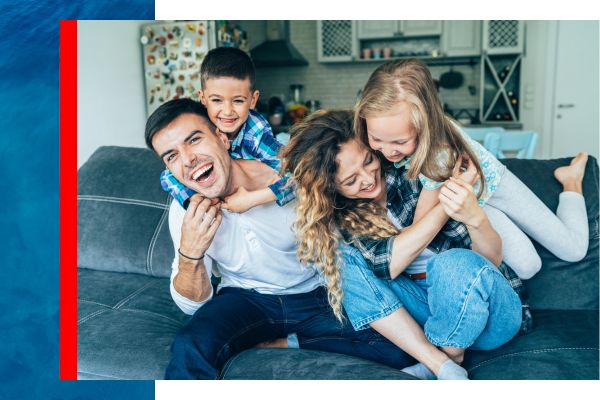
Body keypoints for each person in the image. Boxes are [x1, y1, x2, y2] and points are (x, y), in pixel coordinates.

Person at [145, 99, 418, 379]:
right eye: (172, 156)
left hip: (317, 294)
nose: (188, 159)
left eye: (194, 140)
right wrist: (191, 253)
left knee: (401, 346)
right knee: (190, 346)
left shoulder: (285, 177)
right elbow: (192, 306)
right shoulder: (185, 207)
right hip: (246, 298)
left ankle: (288, 342)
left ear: (221, 138)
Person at [281, 110, 524, 380]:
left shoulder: (415, 173)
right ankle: (440, 364)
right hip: (427, 311)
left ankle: (449, 355)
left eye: (368, 160)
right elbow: (390, 265)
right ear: (332, 189)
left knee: (451, 263)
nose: (367, 178)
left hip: (491, 315)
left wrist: (461, 206)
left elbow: (487, 263)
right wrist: (445, 204)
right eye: (350, 181)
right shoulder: (346, 217)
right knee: (339, 258)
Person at [354, 58, 589, 279]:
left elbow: (419, 229)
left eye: (400, 142)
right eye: (377, 139)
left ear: (425, 125)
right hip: (476, 202)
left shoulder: (438, 155)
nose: (387, 152)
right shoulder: (389, 130)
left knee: (573, 249)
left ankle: (571, 181)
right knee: (528, 267)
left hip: (497, 187)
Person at [159, 47, 293, 213]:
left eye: (237, 101)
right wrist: (193, 198)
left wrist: (251, 199)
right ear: (203, 98)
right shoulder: (200, 126)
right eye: (216, 100)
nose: (228, 111)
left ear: (253, 100)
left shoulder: (256, 135)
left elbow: (297, 178)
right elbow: (167, 176)